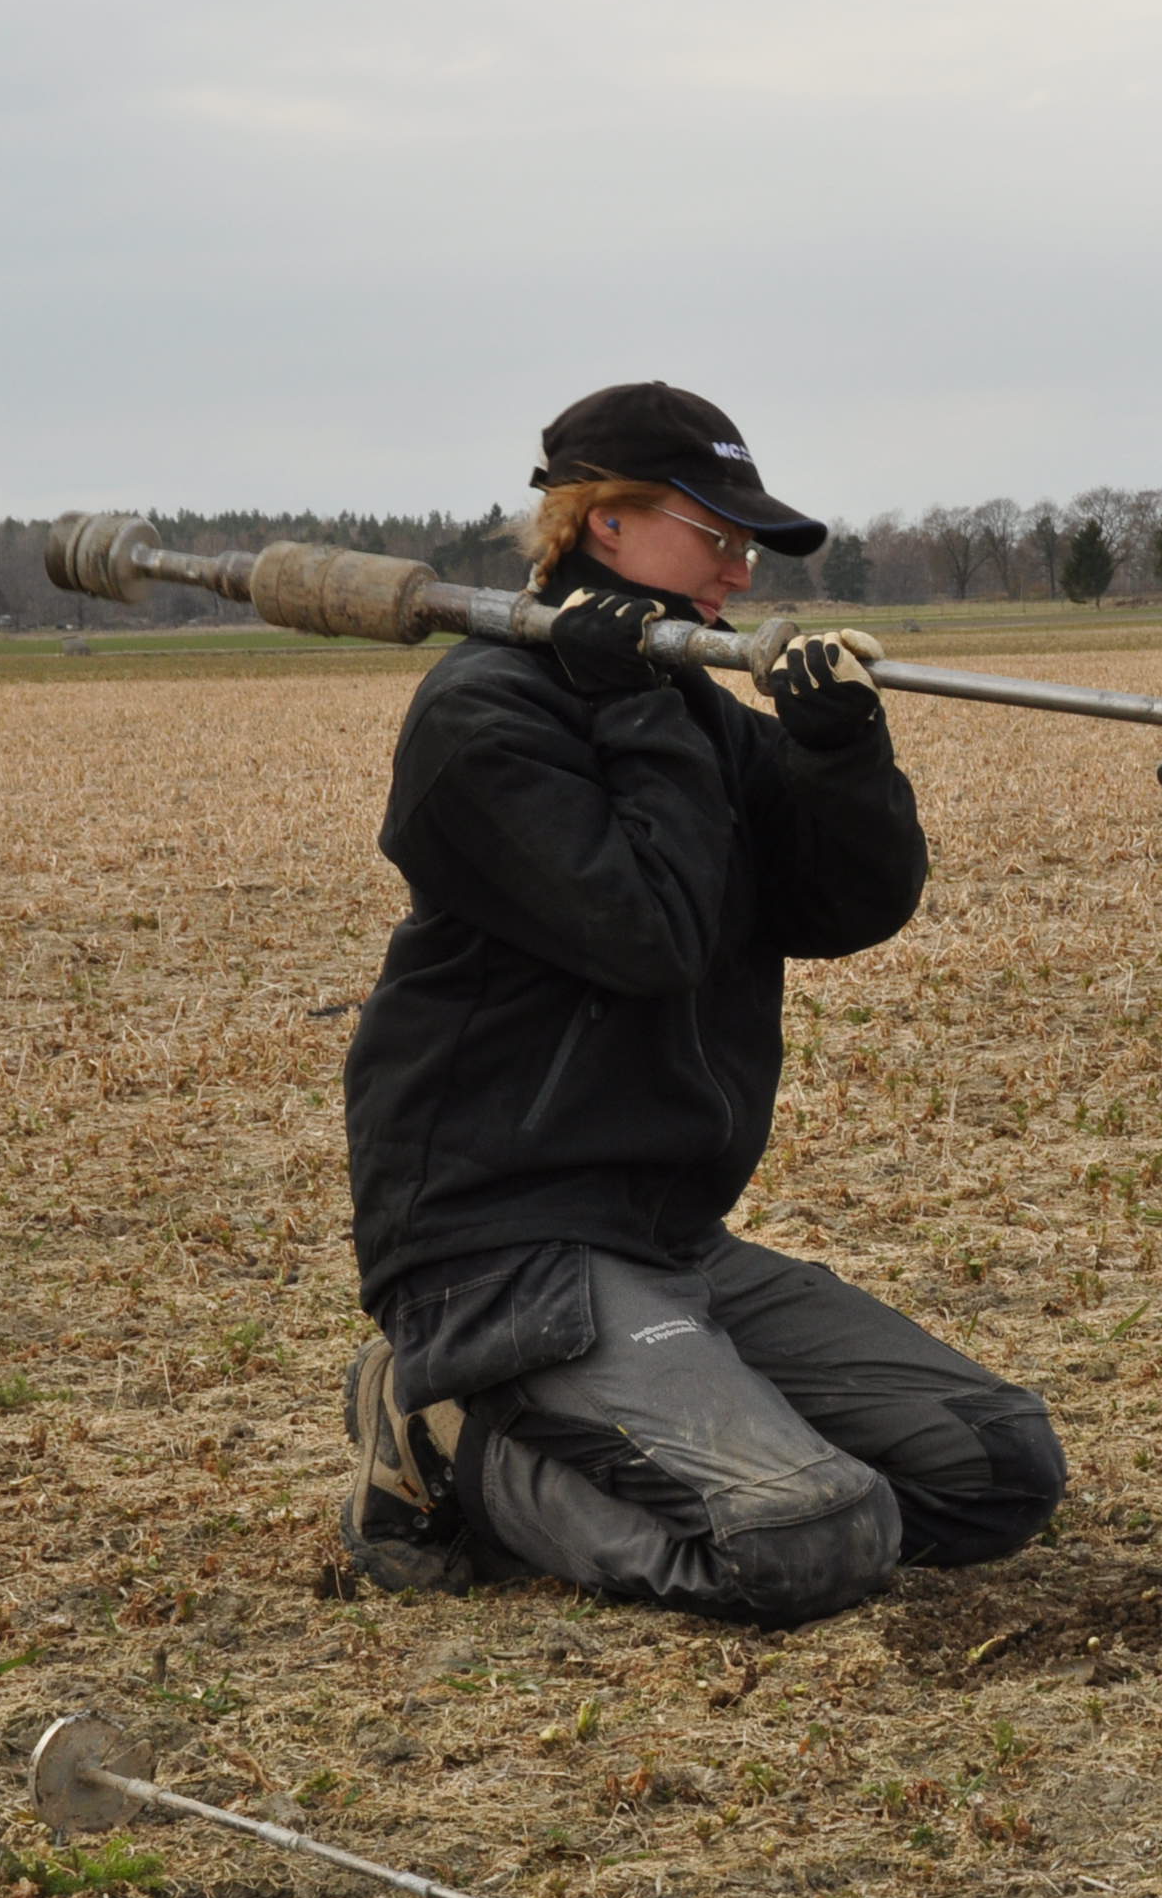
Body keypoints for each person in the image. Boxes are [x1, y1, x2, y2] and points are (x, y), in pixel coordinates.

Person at [333, 381, 1065, 1625]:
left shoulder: (687, 713)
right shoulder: (484, 719)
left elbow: (846, 910)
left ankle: (658, 1425)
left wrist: (840, 752)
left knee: (997, 1468)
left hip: (670, 1242)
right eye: (712, 536)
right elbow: (648, 935)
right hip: (509, 1248)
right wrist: (626, 703)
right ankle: (450, 1432)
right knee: (813, 1541)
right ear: (603, 525)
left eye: (745, 546)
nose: (735, 570)